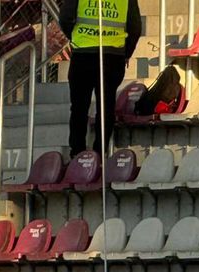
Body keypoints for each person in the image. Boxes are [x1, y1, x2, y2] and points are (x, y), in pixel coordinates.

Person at [61, 0, 143, 158]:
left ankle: (77, 153)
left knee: (79, 108)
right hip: (112, 55)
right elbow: (135, 27)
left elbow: (65, 17)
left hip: (83, 53)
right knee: (106, 107)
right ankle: (99, 153)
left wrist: (75, 37)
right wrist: (126, 52)